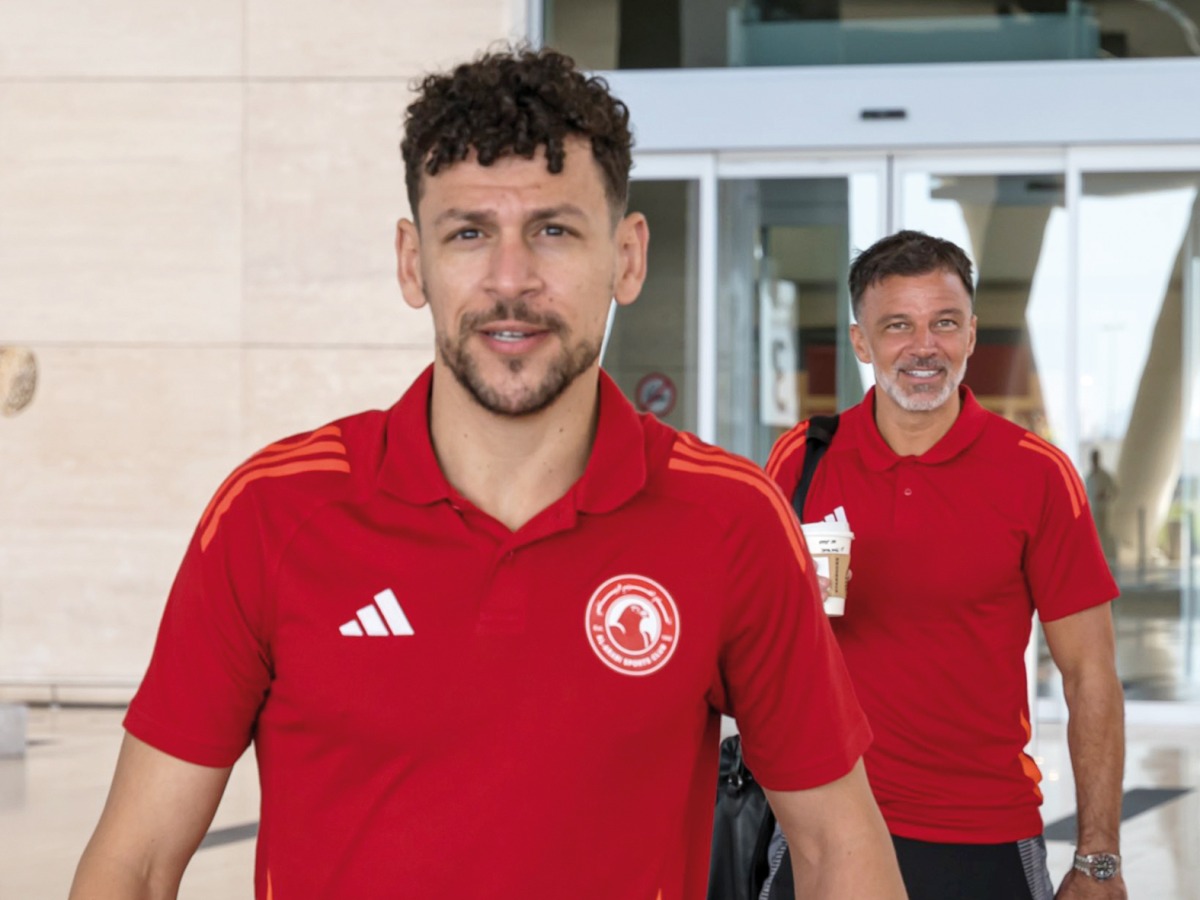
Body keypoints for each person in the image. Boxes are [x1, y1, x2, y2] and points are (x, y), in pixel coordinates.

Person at [70, 47, 905, 900]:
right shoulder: (274, 514)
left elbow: (840, 848)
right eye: (469, 233)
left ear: (627, 256)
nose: (512, 281)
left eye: (553, 230)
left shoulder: (729, 520)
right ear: (411, 261)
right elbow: (134, 864)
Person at [766, 230, 1126, 900]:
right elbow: (753, 643)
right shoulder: (803, 458)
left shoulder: (1036, 474)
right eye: (897, 325)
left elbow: (1091, 674)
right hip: (824, 826)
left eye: (944, 323)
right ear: (862, 343)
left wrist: (1098, 856)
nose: (923, 347)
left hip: (982, 834)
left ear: (971, 336)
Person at [1085, 449, 1119, 563]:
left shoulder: (1105, 476)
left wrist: (1105, 495)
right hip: (1094, 510)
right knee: (1096, 534)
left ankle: (1109, 557)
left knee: (1106, 532)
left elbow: (1114, 491)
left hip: (1104, 509)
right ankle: (1098, 557)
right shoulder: (1089, 477)